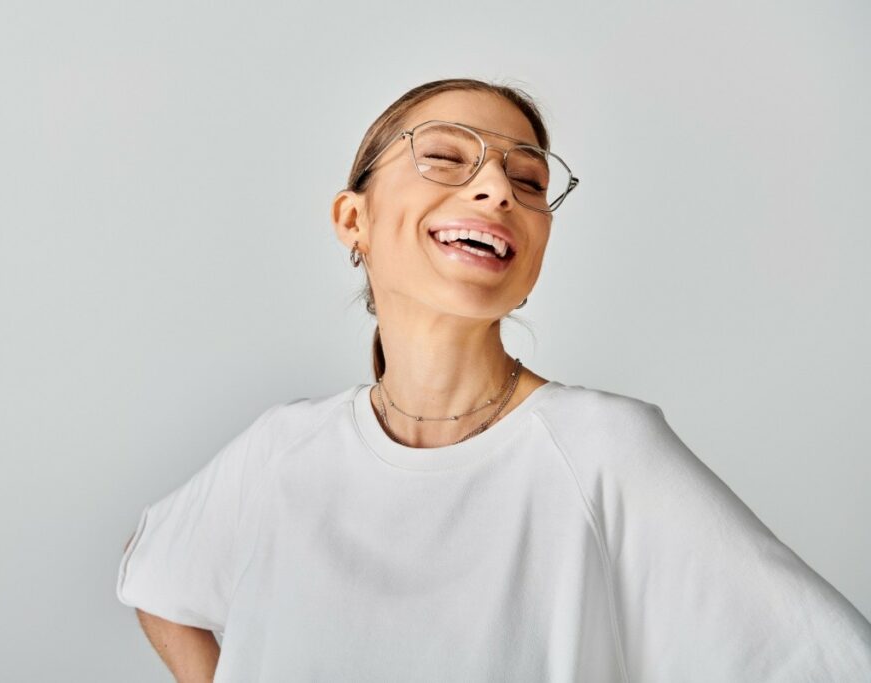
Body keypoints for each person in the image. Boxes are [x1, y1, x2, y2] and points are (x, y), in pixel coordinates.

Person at [116, 78, 871, 682]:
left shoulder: (603, 450)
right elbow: (154, 576)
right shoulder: (281, 450)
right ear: (354, 220)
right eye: (446, 157)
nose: (498, 191)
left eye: (529, 178)